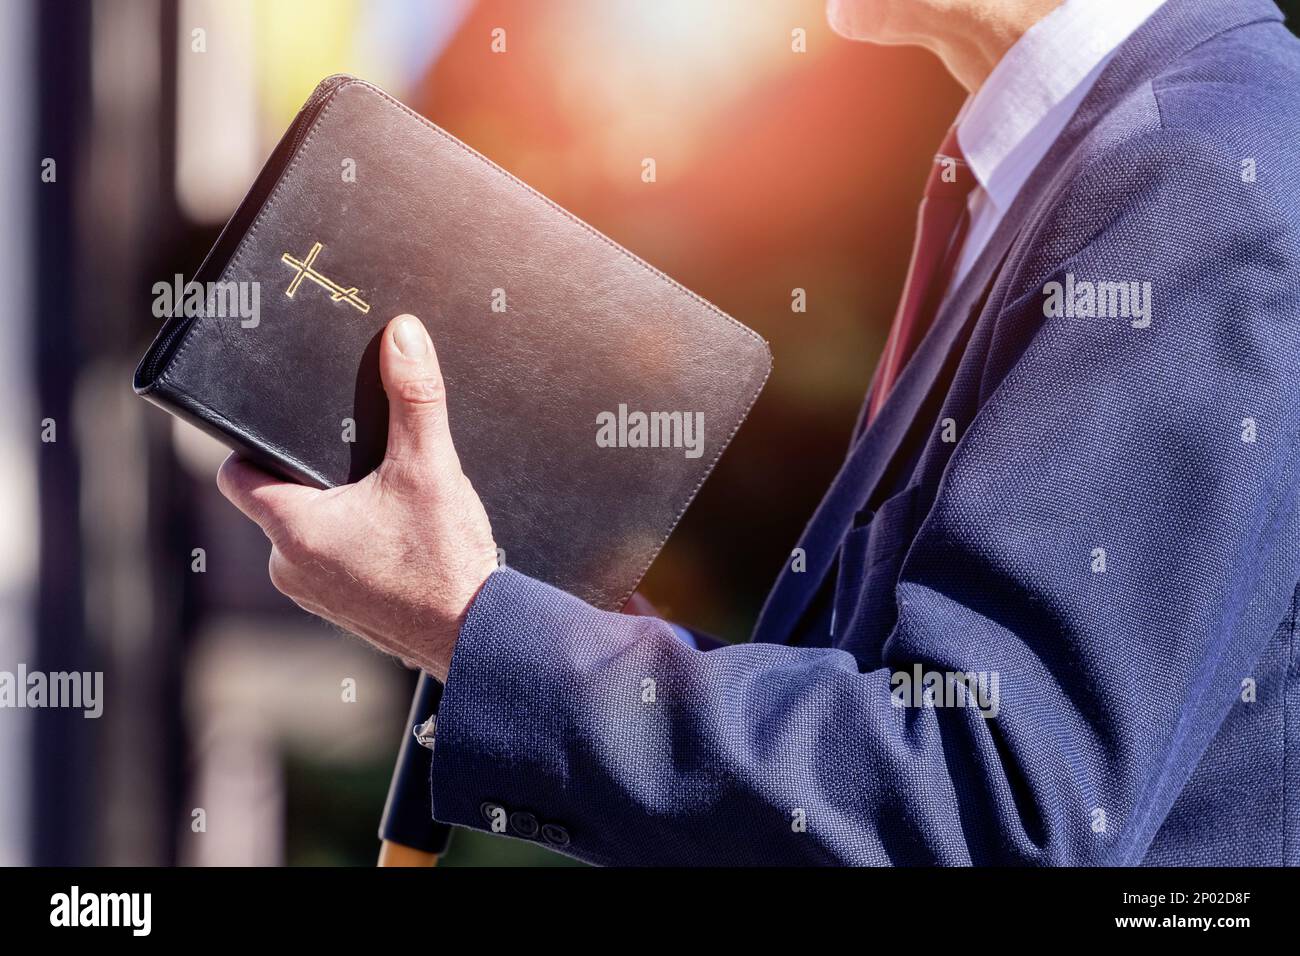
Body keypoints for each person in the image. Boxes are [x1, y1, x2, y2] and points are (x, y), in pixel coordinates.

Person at [217, 0, 1300, 865]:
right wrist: (563, 633)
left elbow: (984, 809)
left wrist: (472, 623)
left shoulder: (1193, 173)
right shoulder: (1086, 155)